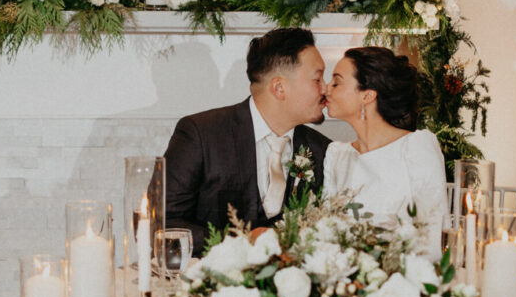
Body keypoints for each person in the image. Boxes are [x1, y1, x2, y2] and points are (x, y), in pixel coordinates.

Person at [164, 27, 331, 255]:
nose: (326, 89)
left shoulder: (322, 150)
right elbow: (162, 223)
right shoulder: (201, 135)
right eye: (317, 78)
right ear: (279, 87)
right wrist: (239, 242)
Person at [323, 47, 448, 257]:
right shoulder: (337, 155)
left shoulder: (416, 147)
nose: (326, 89)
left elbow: (433, 236)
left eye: (336, 82)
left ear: (368, 95)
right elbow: (328, 234)